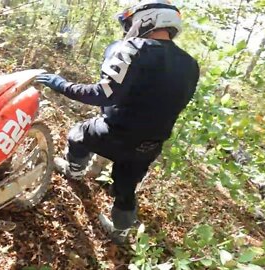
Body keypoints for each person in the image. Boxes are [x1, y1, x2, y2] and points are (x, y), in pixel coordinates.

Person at [36, 0, 200, 244]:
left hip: (116, 132)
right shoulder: (190, 64)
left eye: (131, 22)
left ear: (147, 19)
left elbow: (102, 94)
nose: (129, 29)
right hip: (151, 144)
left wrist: (60, 84)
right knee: (126, 187)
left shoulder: (135, 47)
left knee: (78, 133)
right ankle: (120, 232)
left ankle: (76, 171)